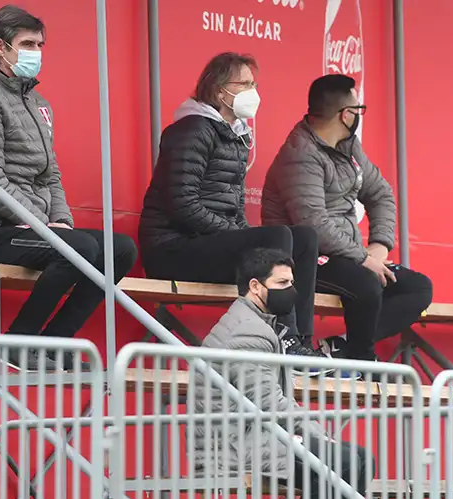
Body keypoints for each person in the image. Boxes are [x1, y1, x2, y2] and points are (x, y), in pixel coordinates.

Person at [0, 5, 137, 371]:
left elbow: (51, 175)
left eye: (40, 44)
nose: (36, 52)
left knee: (121, 249)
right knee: (77, 248)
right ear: (0, 47)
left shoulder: (37, 103)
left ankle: (53, 344)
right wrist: (43, 225)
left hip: (30, 226)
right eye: (27, 43)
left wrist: (61, 221)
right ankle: (19, 343)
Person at [139, 52, 327, 370]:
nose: (253, 91)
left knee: (305, 237)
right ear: (219, 90)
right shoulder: (192, 129)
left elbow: (235, 206)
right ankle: (285, 335)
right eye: (244, 84)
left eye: (254, 83)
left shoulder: (236, 136)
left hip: (208, 245)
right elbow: (182, 206)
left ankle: (300, 341)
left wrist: (242, 234)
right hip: (172, 249)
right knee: (277, 236)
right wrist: (241, 237)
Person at [200, 248, 375, 499]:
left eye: (293, 282)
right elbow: (267, 402)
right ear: (255, 286)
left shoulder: (259, 323)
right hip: (238, 441)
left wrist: (313, 436)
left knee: (359, 458)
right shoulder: (247, 331)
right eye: (282, 282)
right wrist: (316, 435)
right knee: (346, 462)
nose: (291, 291)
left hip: (255, 432)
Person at [262, 74, 433, 362]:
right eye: (359, 109)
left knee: (417, 287)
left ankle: (343, 347)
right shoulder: (299, 154)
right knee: (365, 284)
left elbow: (381, 194)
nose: (359, 115)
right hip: (303, 260)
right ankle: (362, 362)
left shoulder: (348, 146)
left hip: (348, 256)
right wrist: (362, 258)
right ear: (346, 114)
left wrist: (378, 247)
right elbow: (313, 224)